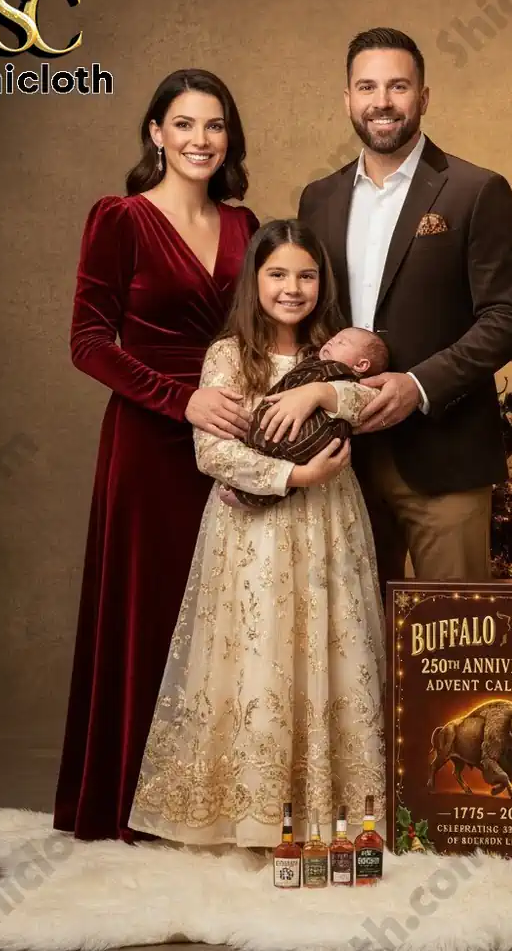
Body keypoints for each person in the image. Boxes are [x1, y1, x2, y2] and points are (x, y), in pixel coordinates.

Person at [128, 220, 386, 848]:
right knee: (260, 644)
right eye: (277, 274)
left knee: (330, 638)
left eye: (305, 275)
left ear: (321, 284)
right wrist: (291, 472)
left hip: (329, 522)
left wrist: (325, 390)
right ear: (255, 281)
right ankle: (251, 811)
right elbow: (211, 452)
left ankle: (336, 806)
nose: (292, 288)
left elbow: (370, 403)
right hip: (253, 530)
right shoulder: (228, 355)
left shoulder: (334, 352)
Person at [54, 70, 260, 843]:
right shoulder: (123, 220)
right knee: (152, 613)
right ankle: (131, 807)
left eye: (215, 126)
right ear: (155, 134)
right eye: (184, 125)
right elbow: (87, 344)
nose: (200, 140)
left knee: (226, 616)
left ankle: (212, 800)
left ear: (229, 138)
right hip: (148, 441)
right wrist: (182, 400)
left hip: (233, 439)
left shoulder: (247, 226)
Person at [298, 27, 512, 594]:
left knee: (451, 646)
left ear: (423, 97)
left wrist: (418, 385)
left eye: (398, 86)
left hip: (443, 455)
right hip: (336, 459)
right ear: (348, 99)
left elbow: (509, 316)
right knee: (348, 649)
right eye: (367, 87)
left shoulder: (475, 191)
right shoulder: (318, 199)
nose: (382, 101)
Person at [222, 326, 389, 508]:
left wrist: (319, 393)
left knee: (284, 455)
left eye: (342, 342)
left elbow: (369, 399)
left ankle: (250, 498)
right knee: (269, 451)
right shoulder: (313, 361)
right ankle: (250, 494)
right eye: (334, 337)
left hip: (305, 438)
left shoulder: (339, 373)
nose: (332, 340)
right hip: (277, 431)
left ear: (361, 365)